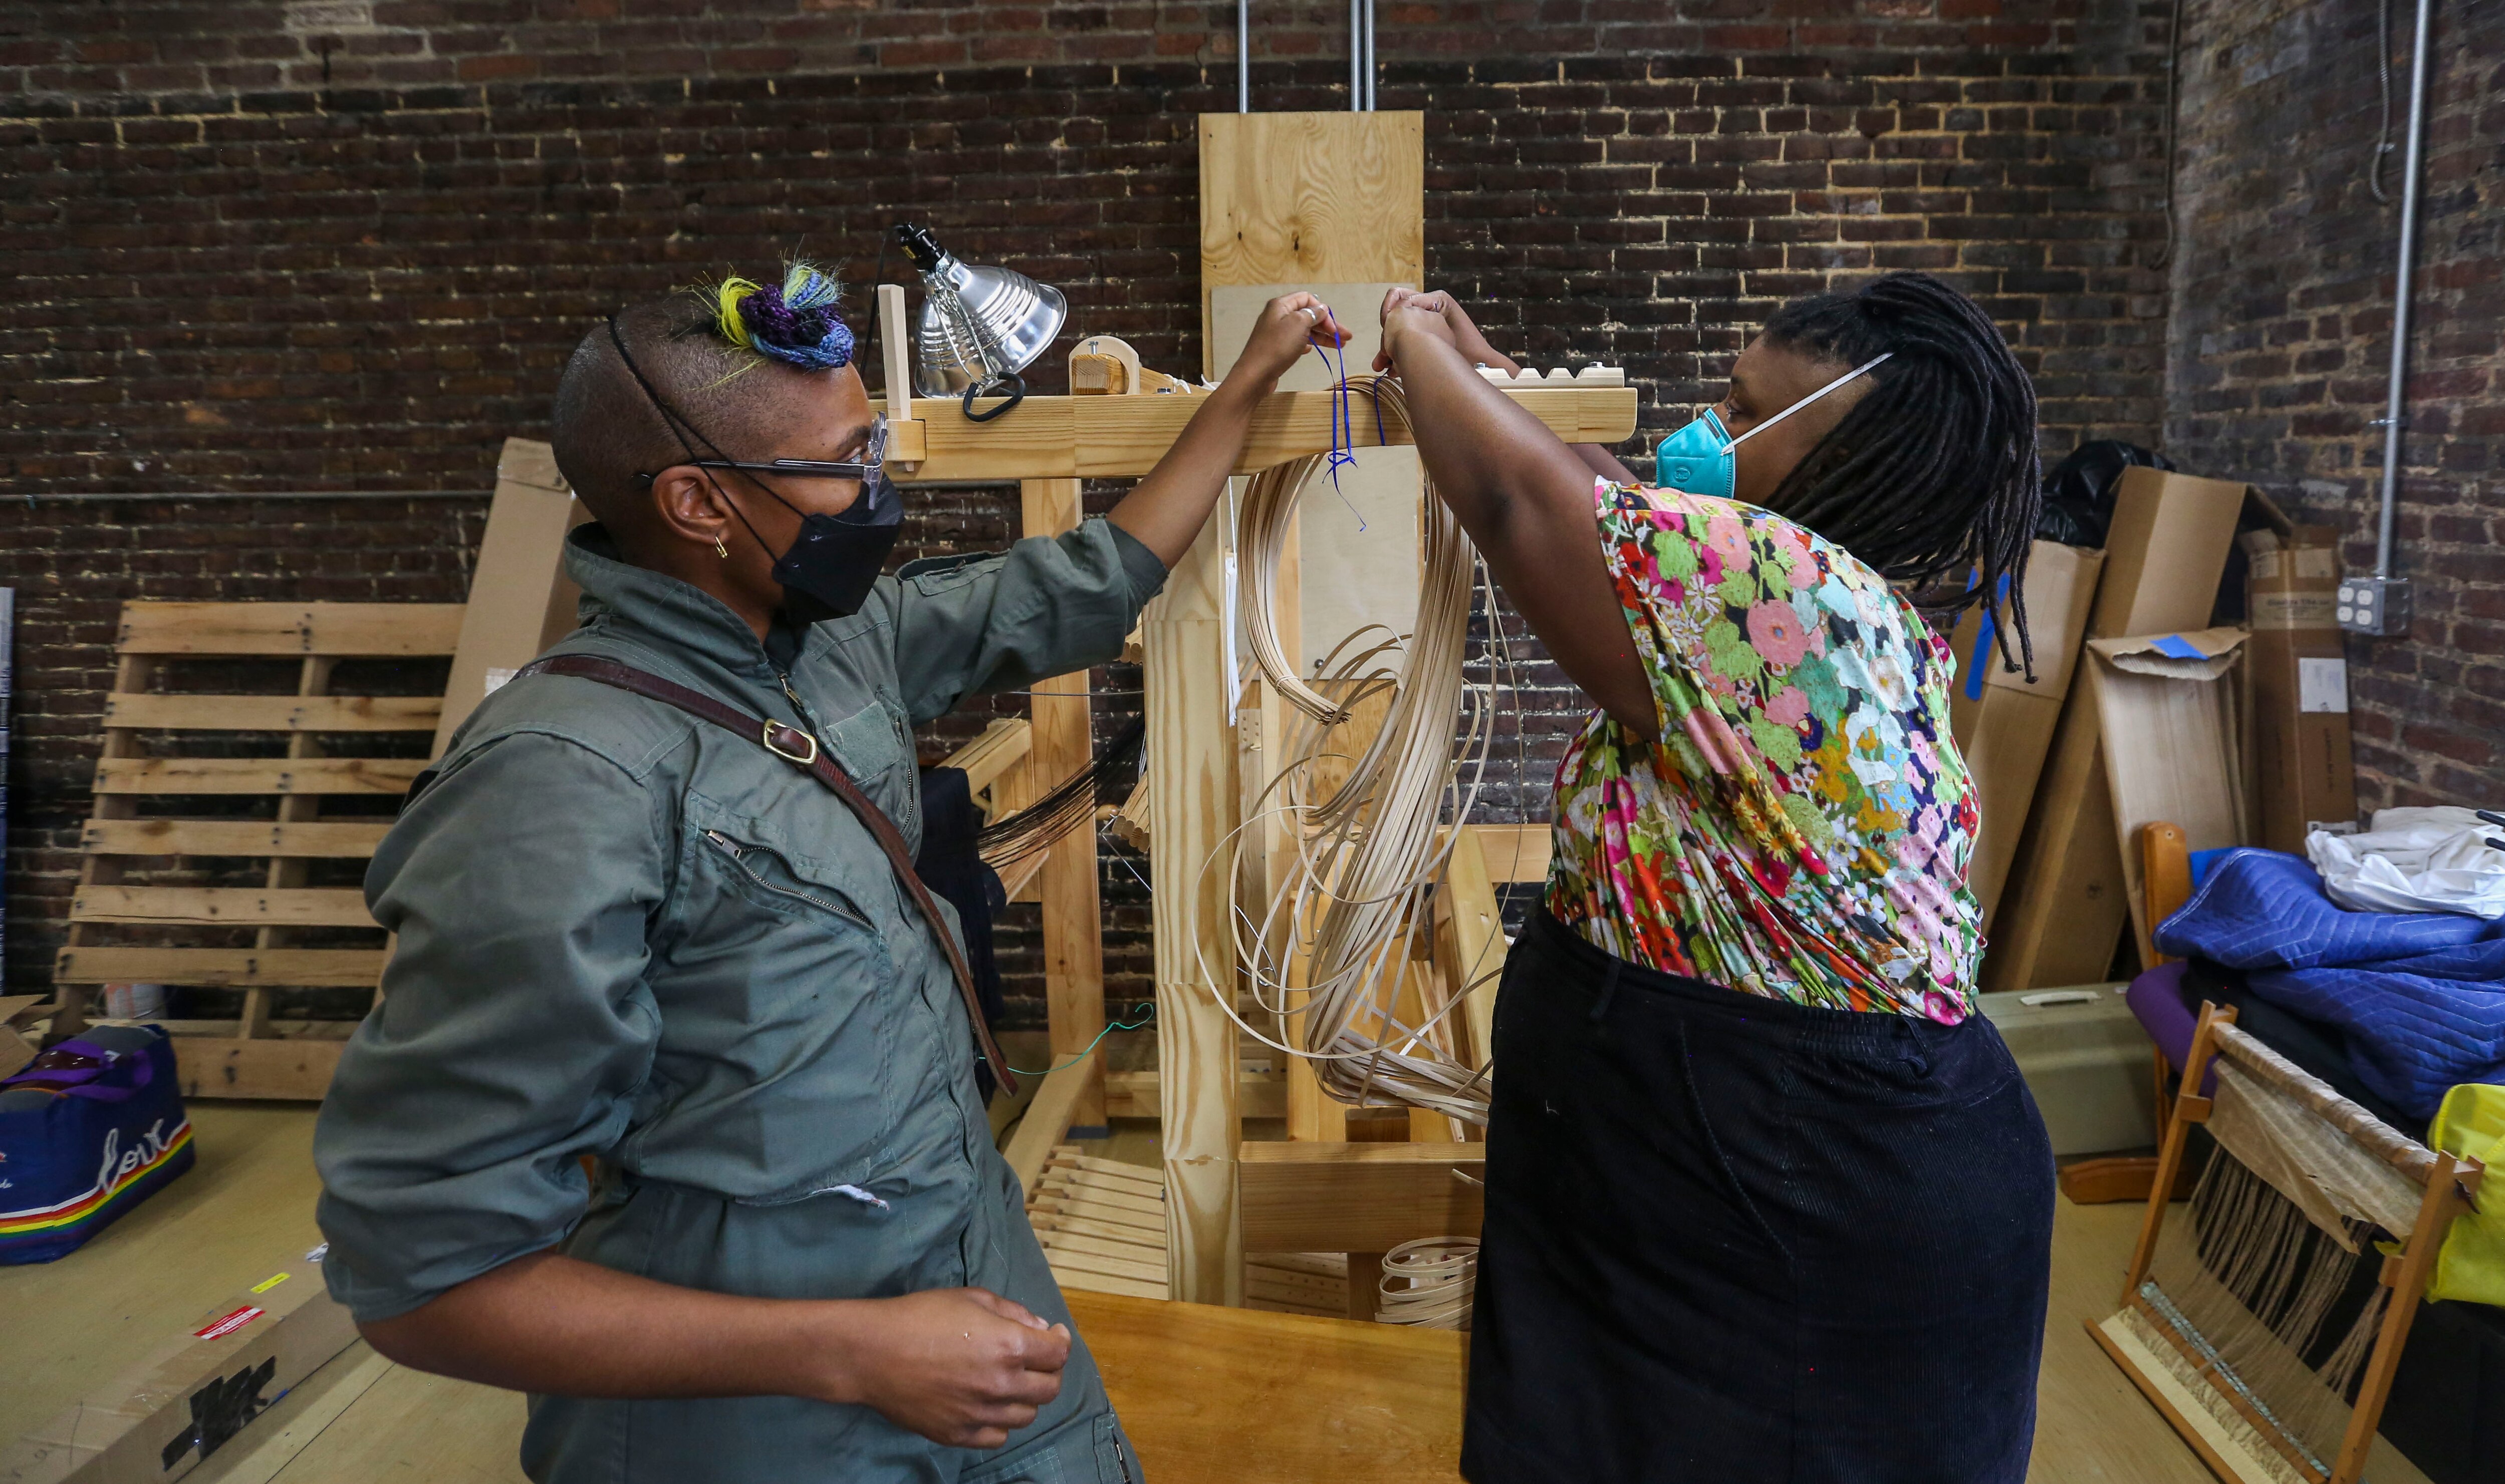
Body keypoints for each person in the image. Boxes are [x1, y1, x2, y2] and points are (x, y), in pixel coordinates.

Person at [312, 264, 1347, 1484]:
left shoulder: (833, 644)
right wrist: (849, 1353)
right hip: (768, 1410)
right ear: (700, 504)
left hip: (960, 1279)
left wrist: (1243, 390)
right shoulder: (560, 788)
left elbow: (1087, 583)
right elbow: (426, 1281)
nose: (876, 491)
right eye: (844, 463)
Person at [1372, 273, 2055, 1483]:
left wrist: (1413, 338)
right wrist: (1484, 372)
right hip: (1771, 1148)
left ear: (1851, 434)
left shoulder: (1773, 577)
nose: (1706, 431)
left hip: (1795, 1167)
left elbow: (1519, 493)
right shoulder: (1835, 601)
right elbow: (1613, 501)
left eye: (1739, 412)